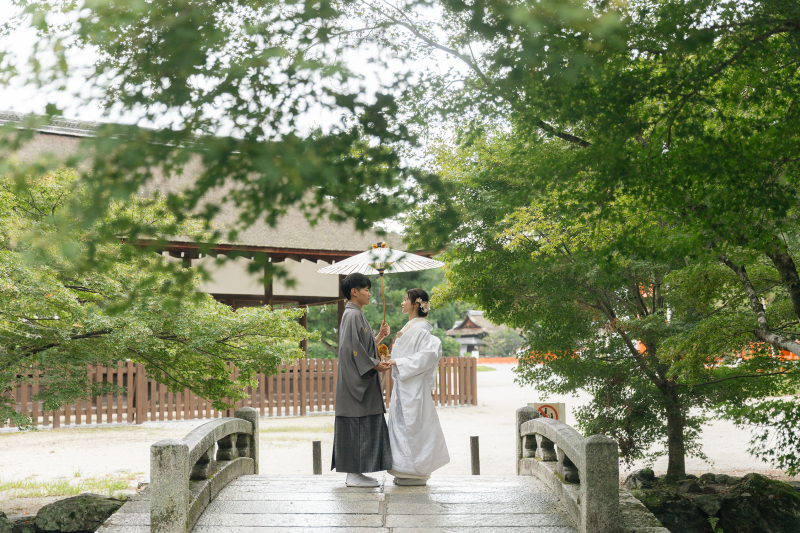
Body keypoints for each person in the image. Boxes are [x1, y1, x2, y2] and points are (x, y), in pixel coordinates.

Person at [332, 272, 393, 487]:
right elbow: (353, 349)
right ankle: (353, 474)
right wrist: (375, 365)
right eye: (366, 290)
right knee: (356, 426)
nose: (369, 294)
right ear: (354, 292)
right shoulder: (352, 315)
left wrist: (380, 337)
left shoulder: (355, 314)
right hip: (355, 385)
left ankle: (356, 473)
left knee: (363, 425)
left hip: (359, 379)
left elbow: (361, 346)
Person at [387, 288, 450, 486]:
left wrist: (399, 362)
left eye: (405, 299)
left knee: (413, 427)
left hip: (414, 387)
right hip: (403, 385)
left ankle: (416, 471)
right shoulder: (409, 328)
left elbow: (427, 356)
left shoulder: (422, 331)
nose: (402, 302)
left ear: (416, 304)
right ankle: (402, 469)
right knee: (399, 427)